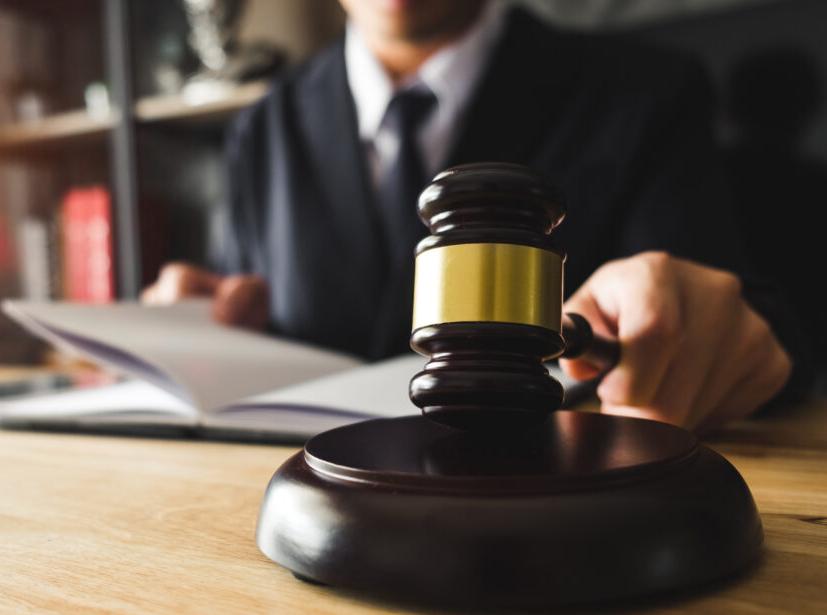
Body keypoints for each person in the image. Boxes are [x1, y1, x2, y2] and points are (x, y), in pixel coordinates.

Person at [143, 0, 806, 434]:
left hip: (541, 517)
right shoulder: (261, 129)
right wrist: (205, 321)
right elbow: (245, 304)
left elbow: (743, 330)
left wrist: (722, 330)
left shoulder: (647, 93)